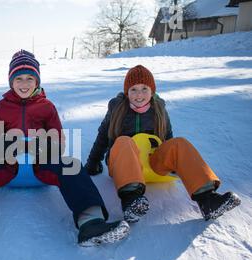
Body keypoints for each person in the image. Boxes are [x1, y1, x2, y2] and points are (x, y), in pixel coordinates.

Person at [0, 50, 130, 251]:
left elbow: (59, 143)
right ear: (11, 81)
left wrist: (40, 145)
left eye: (29, 78)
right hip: (9, 168)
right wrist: (10, 145)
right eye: (18, 79)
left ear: (37, 81)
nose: (24, 83)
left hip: (41, 167)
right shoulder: (0, 108)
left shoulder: (47, 107)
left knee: (72, 166)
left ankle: (91, 223)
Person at [84, 65, 241, 223]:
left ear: (152, 91)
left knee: (179, 143)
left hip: (152, 163)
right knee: (124, 141)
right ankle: (131, 201)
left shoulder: (159, 109)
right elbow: (102, 137)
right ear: (127, 92)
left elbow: (168, 141)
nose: (139, 94)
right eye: (134, 89)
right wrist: (93, 163)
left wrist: (175, 162)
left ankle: (208, 200)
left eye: (144, 88)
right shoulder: (117, 108)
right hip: (124, 165)